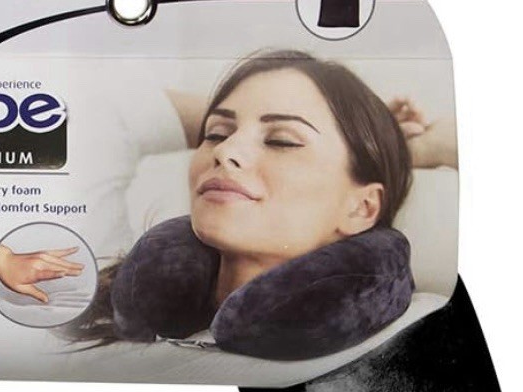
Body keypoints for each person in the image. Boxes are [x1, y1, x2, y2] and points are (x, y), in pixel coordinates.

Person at [66, 49, 455, 344]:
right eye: (216, 133)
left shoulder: (411, 338)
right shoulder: (81, 287)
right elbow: (86, 107)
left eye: (282, 140)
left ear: (361, 207)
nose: (225, 150)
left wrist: (407, 149)